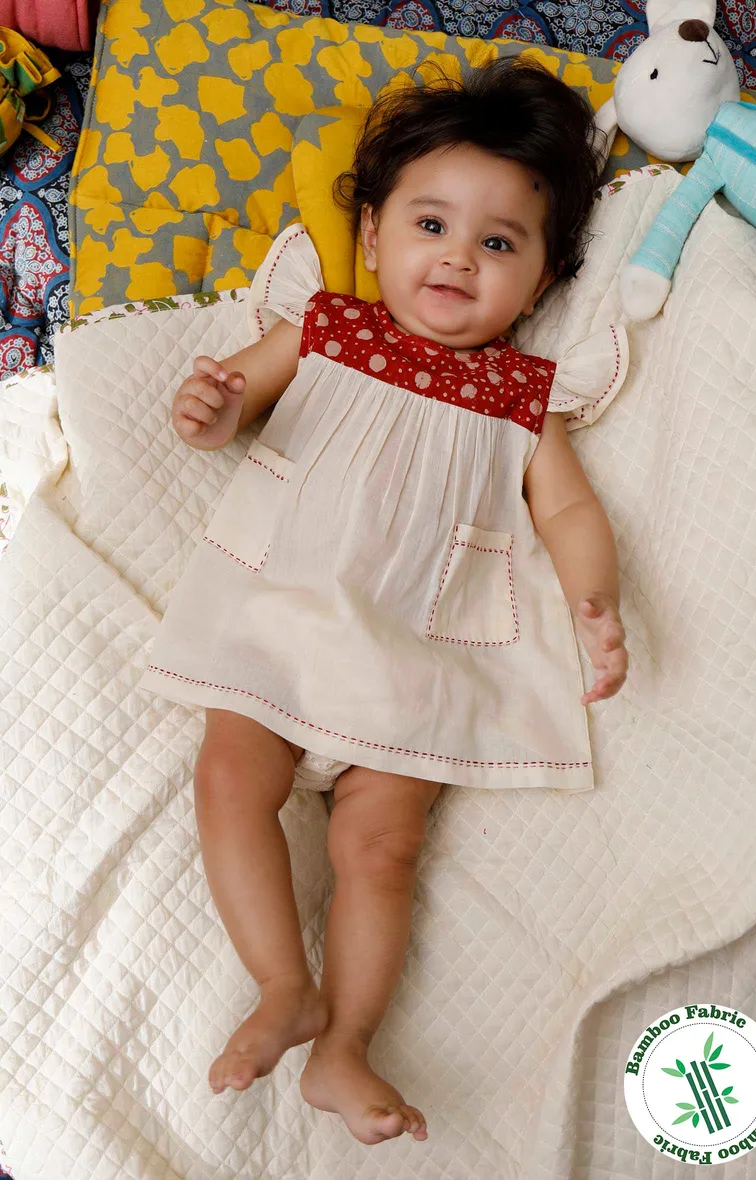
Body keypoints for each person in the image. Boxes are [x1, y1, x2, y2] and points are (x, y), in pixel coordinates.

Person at [139, 56, 630, 1145]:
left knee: (381, 846)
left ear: (540, 283)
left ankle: (347, 1037)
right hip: (280, 614)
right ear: (371, 236)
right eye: (430, 223)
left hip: (419, 644)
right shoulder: (325, 329)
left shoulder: (519, 395)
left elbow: (568, 514)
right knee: (226, 779)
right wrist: (208, 406)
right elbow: (233, 410)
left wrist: (594, 602)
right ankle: (283, 984)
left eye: (497, 243)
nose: (458, 256)